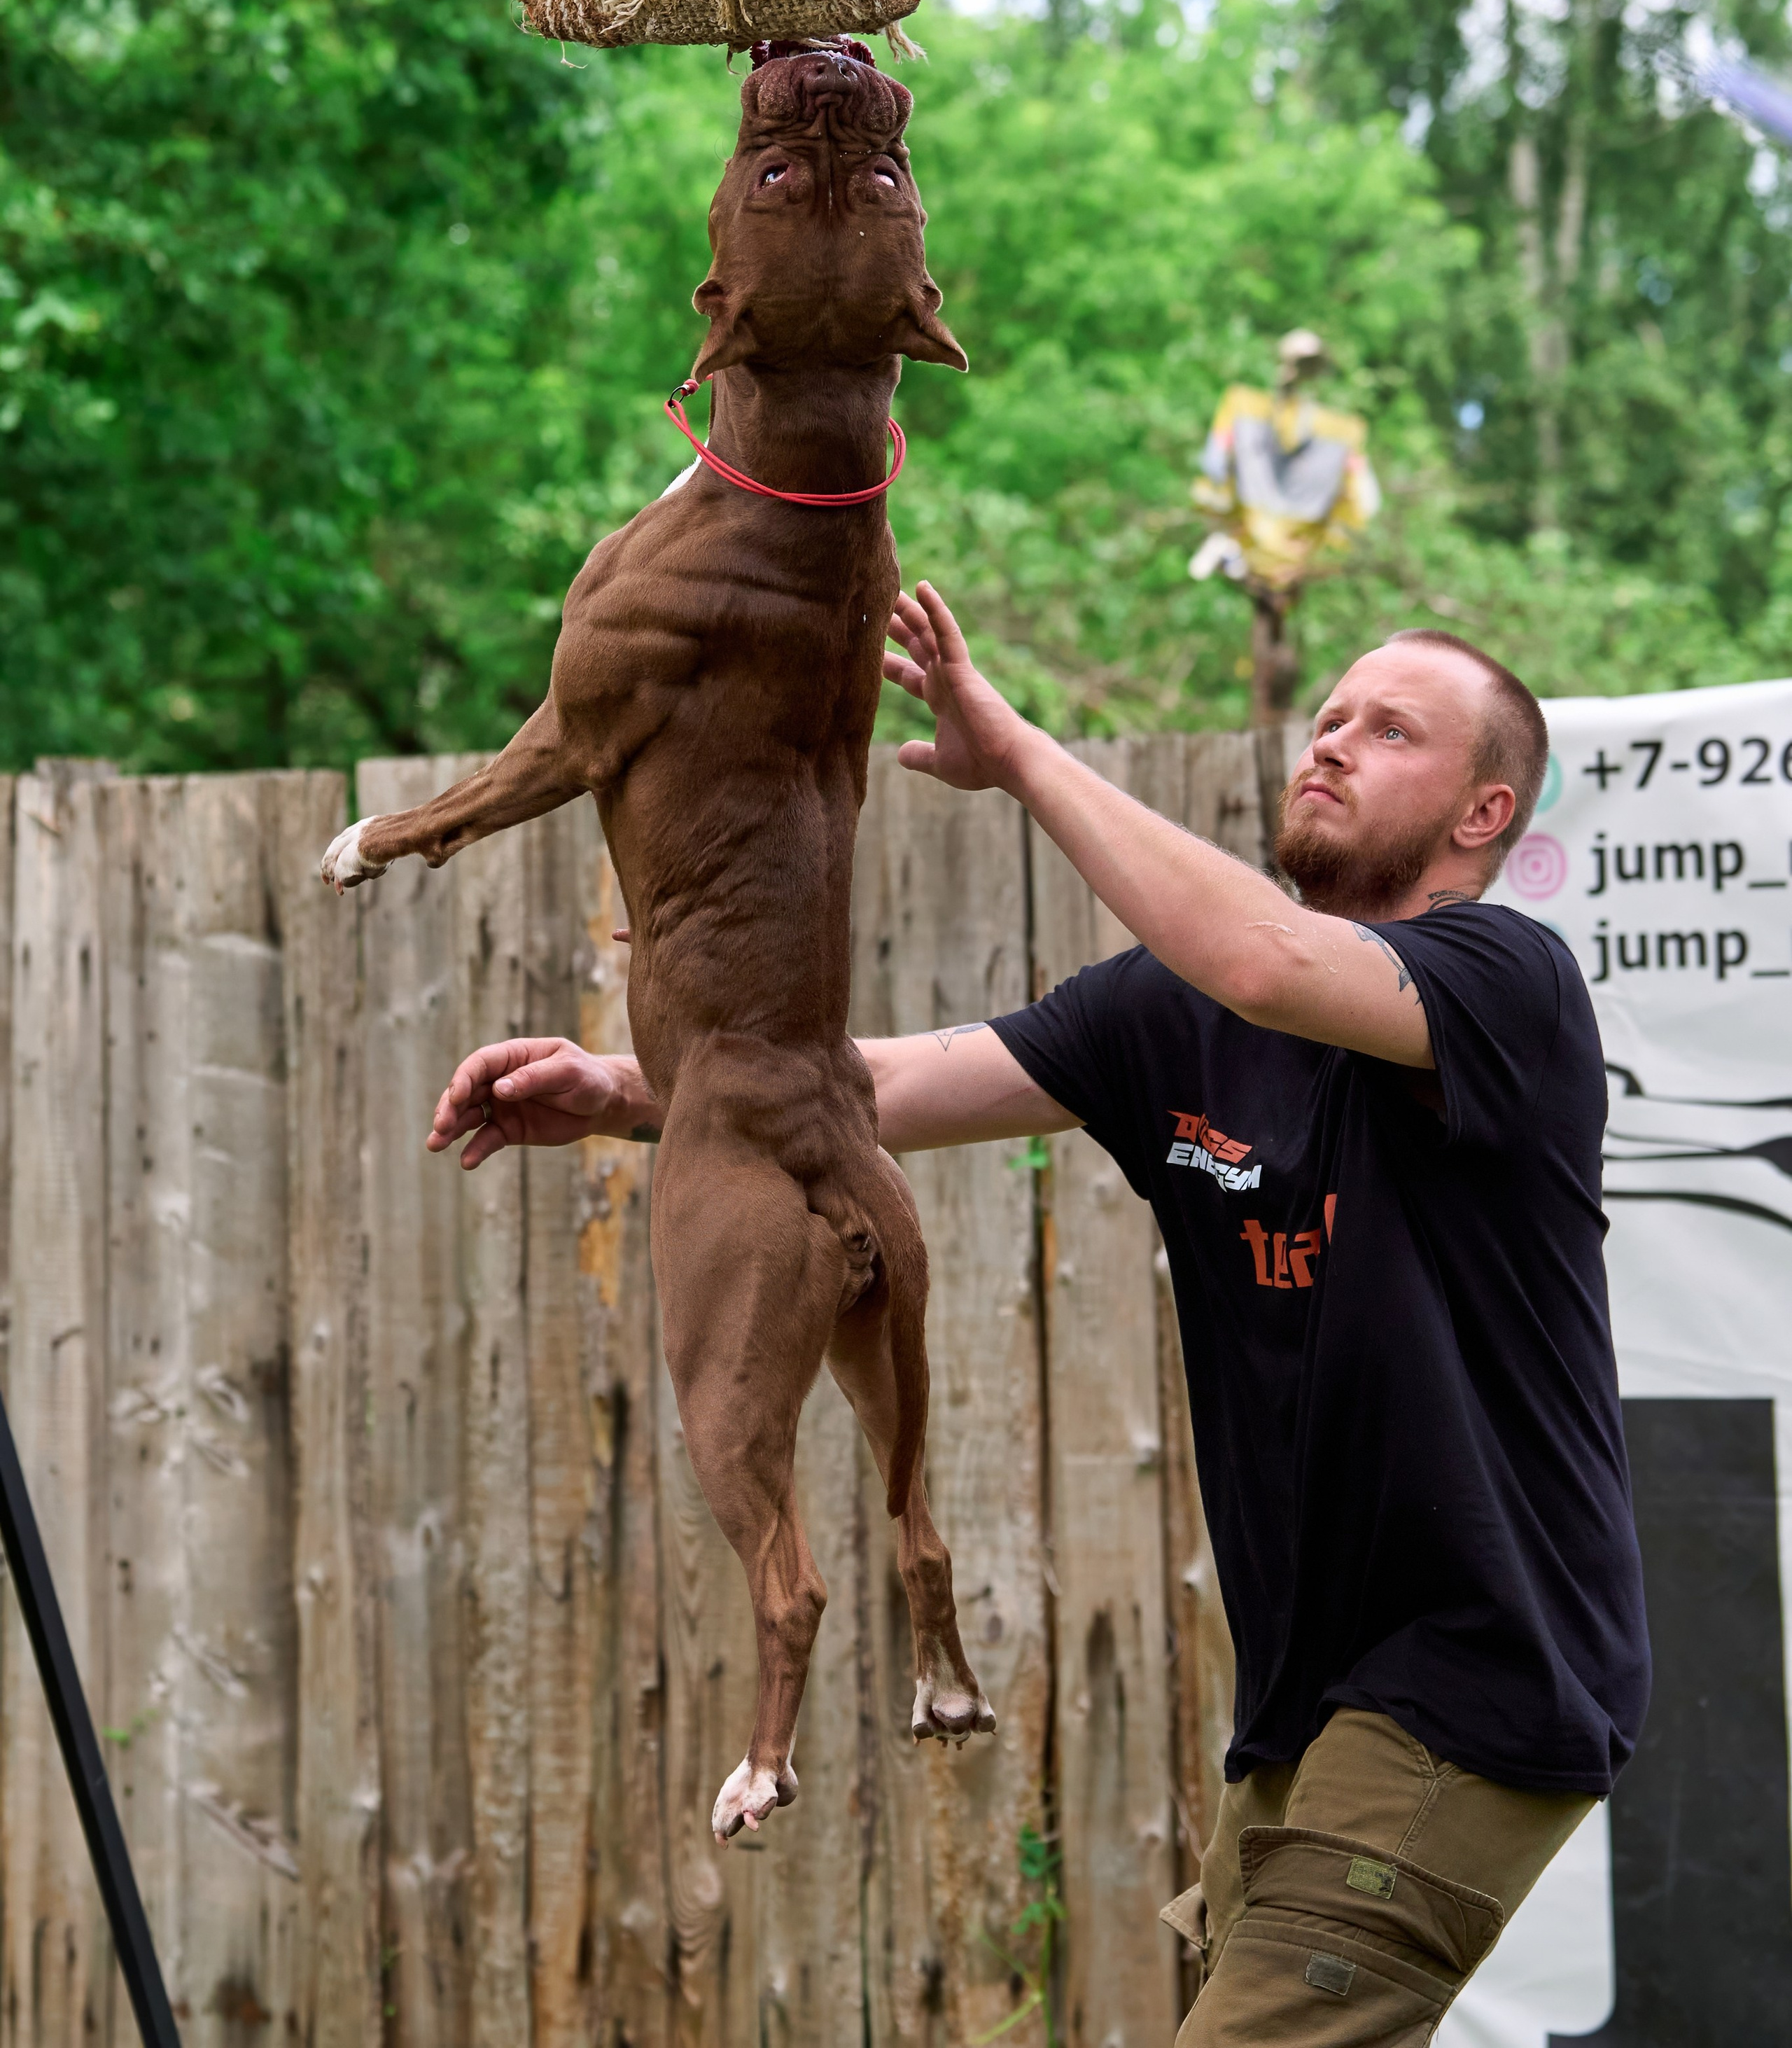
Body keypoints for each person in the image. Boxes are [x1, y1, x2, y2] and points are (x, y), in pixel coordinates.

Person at [428, 583, 1649, 2046]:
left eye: (1387, 731)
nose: (1327, 744)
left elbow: (1264, 958)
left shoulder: (1505, 985)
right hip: (1304, 1705)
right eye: (1324, 717)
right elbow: (895, 1082)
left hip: (1474, 1674)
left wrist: (1013, 748)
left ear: (1478, 815)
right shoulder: (1167, 1017)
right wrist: (635, 1095)